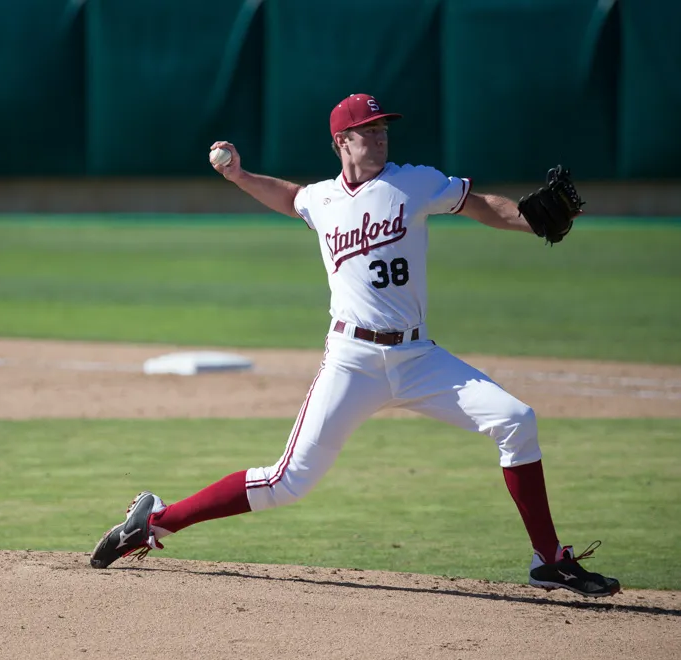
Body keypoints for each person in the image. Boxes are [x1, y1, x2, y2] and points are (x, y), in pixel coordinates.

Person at [88, 93, 619, 598]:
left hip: (418, 358)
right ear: (342, 141)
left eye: (383, 127)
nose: (380, 136)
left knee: (516, 419)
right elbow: (289, 197)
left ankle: (548, 558)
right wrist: (240, 175)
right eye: (368, 130)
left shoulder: (414, 183)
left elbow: (480, 205)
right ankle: (156, 519)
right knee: (286, 482)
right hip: (351, 362)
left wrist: (529, 220)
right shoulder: (321, 198)